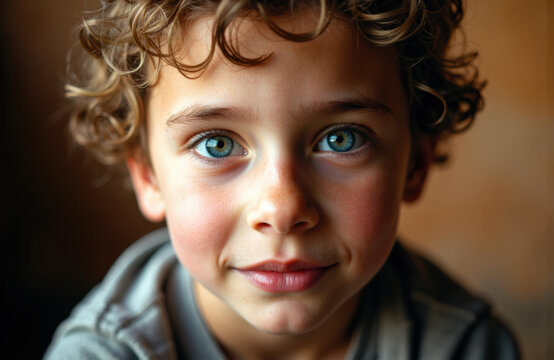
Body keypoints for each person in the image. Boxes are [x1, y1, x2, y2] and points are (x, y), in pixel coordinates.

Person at [45, 0, 520, 359]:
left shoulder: (464, 346)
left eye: (341, 139)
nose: (283, 208)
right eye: (217, 144)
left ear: (414, 163)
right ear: (148, 176)